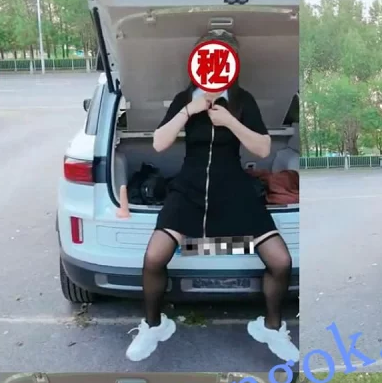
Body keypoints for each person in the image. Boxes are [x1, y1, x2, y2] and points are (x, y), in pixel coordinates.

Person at [125, 29, 299, 364]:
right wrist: (189, 111)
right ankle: (154, 326)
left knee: (281, 261)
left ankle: (271, 328)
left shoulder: (243, 100)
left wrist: (230, 121)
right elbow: (159, 143)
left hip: (233, 188)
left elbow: (263, 148)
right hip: (188, 189)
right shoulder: (184, 98)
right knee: (154, 258)